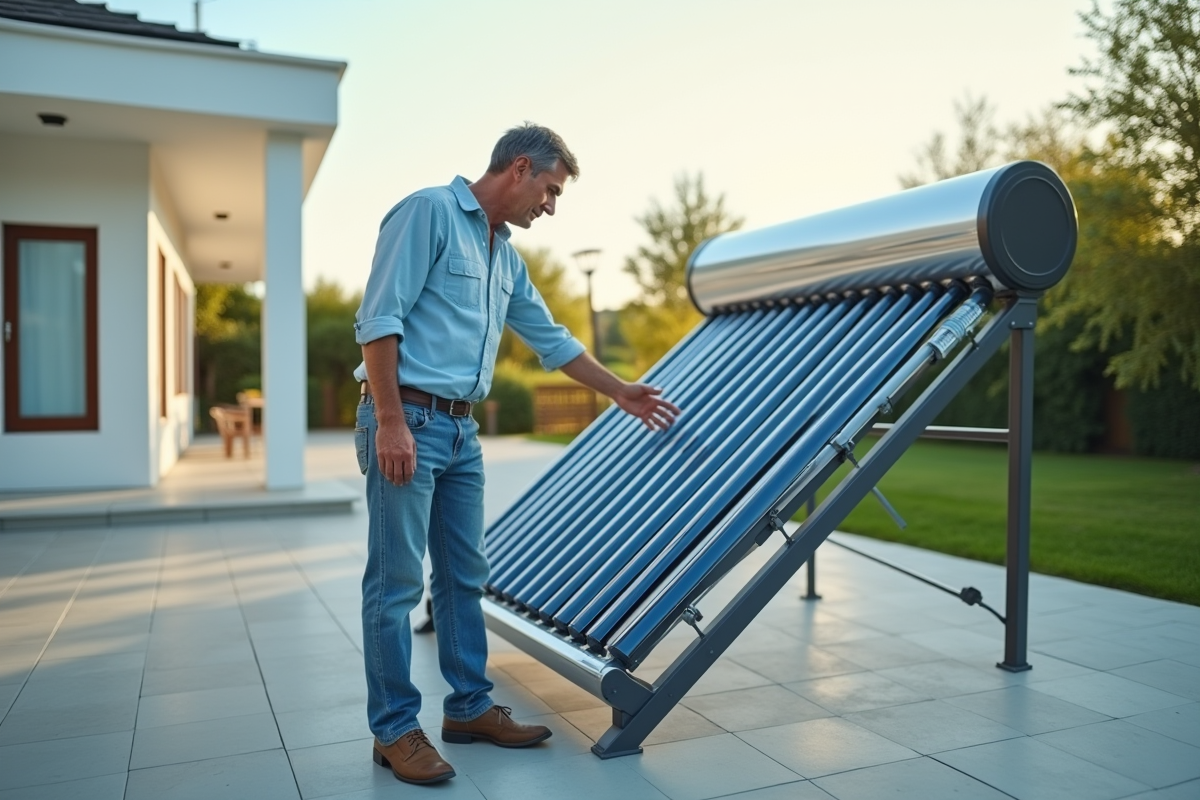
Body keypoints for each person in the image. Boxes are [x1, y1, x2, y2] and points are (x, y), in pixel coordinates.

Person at [352, 123, 679, 785]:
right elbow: (378, 319)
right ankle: (393, 731)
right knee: (394, 586)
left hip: (461, 434)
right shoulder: (428, 213)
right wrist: (390, 422)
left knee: (463, 578)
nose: (550, 207)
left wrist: (620, 391)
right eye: (550, 191)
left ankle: (469, 708)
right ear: (521, 168)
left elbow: (551, 340)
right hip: (407, 420)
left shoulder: (507, 258)